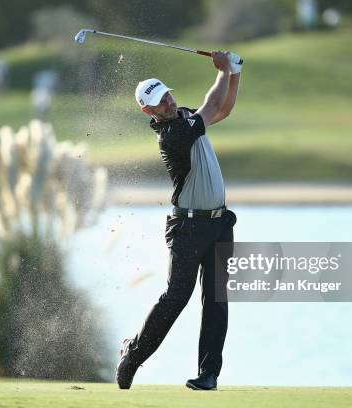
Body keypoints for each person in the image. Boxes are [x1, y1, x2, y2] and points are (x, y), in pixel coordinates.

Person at [116, 51, 242, 391]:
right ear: (149, 111)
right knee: (176, 298)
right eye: (160, 102)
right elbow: (214, 105)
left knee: (216, 299)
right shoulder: (172, 134)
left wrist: (235, 73)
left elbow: (224, 109)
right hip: (188, 229)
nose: (169, 103)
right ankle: (133, 354)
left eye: (167, 95)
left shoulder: (185, 117)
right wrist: (224, 71)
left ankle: (208, 375)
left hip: (219, 225)